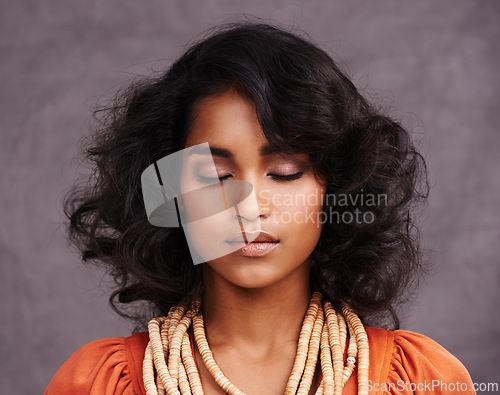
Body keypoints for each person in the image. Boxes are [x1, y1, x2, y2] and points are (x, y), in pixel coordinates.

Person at [45, 22, 475, 394]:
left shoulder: (422, 380)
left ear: (337, 189)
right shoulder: (97, 384)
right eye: (215, 175)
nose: (249, 208)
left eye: (286, 171)